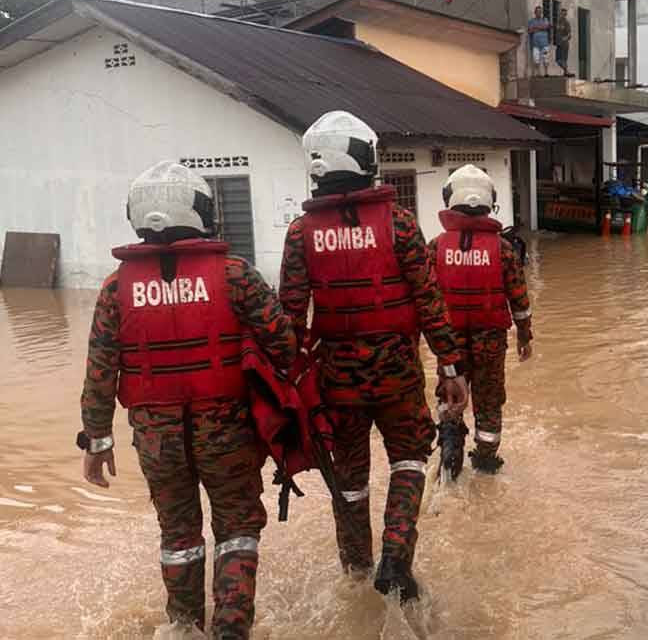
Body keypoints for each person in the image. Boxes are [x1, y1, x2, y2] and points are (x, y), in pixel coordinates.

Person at [79, 161, 296, 639]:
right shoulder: (236, 274)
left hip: (156, 438)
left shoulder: (116, 288)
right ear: (199, 212)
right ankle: (232, 630)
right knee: (237, 530)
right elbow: (284, 344)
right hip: (227, 429)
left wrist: (96, 441)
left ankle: (183, 628)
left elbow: (99, 371)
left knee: (178, 538)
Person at [279, 111, 468, 603]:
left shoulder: (300, 233)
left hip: (335, 379)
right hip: (398, 371)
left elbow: (289, 319)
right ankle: (396, 556)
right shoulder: (401, 223)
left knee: (350, 478)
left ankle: (357, 570)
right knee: (409, 459)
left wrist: (288, 389)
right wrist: (450, 369)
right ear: (365, 159)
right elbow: (430, 303)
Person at [429, 165, 533, 476]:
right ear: (489, 202)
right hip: (490, 343)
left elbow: (424, 300)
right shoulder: (502, 249)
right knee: (488, 402)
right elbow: (519, 299)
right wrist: (525, 336)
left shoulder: (435, 247)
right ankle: (487, 461)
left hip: (449, 345)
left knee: (450, 393)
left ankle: (450, 451)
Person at [527, 5, 551, 77]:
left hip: (545, 43)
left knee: (546, 58)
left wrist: (536, 27)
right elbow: (530, 31)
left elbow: (546, 26)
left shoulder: (545, 19)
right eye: (537, 12)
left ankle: (546, 73)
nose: (539, 13)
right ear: (535, 12)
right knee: (536, 59)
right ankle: (538, 73)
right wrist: (540, 27)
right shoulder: (532, 21)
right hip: (535, 44)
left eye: (540, 12)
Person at [555, 8, 572, 76]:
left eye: (564, 14)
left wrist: (565, 38)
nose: (563, 15)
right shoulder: (558, 22)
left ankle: (566, 72)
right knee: (558, 60)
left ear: (566, 15)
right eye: (562, 14)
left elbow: (569, 34)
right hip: (558, 43)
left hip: (564, 44)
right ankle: (566, 71)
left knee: (563, 59)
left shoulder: (566, 22)